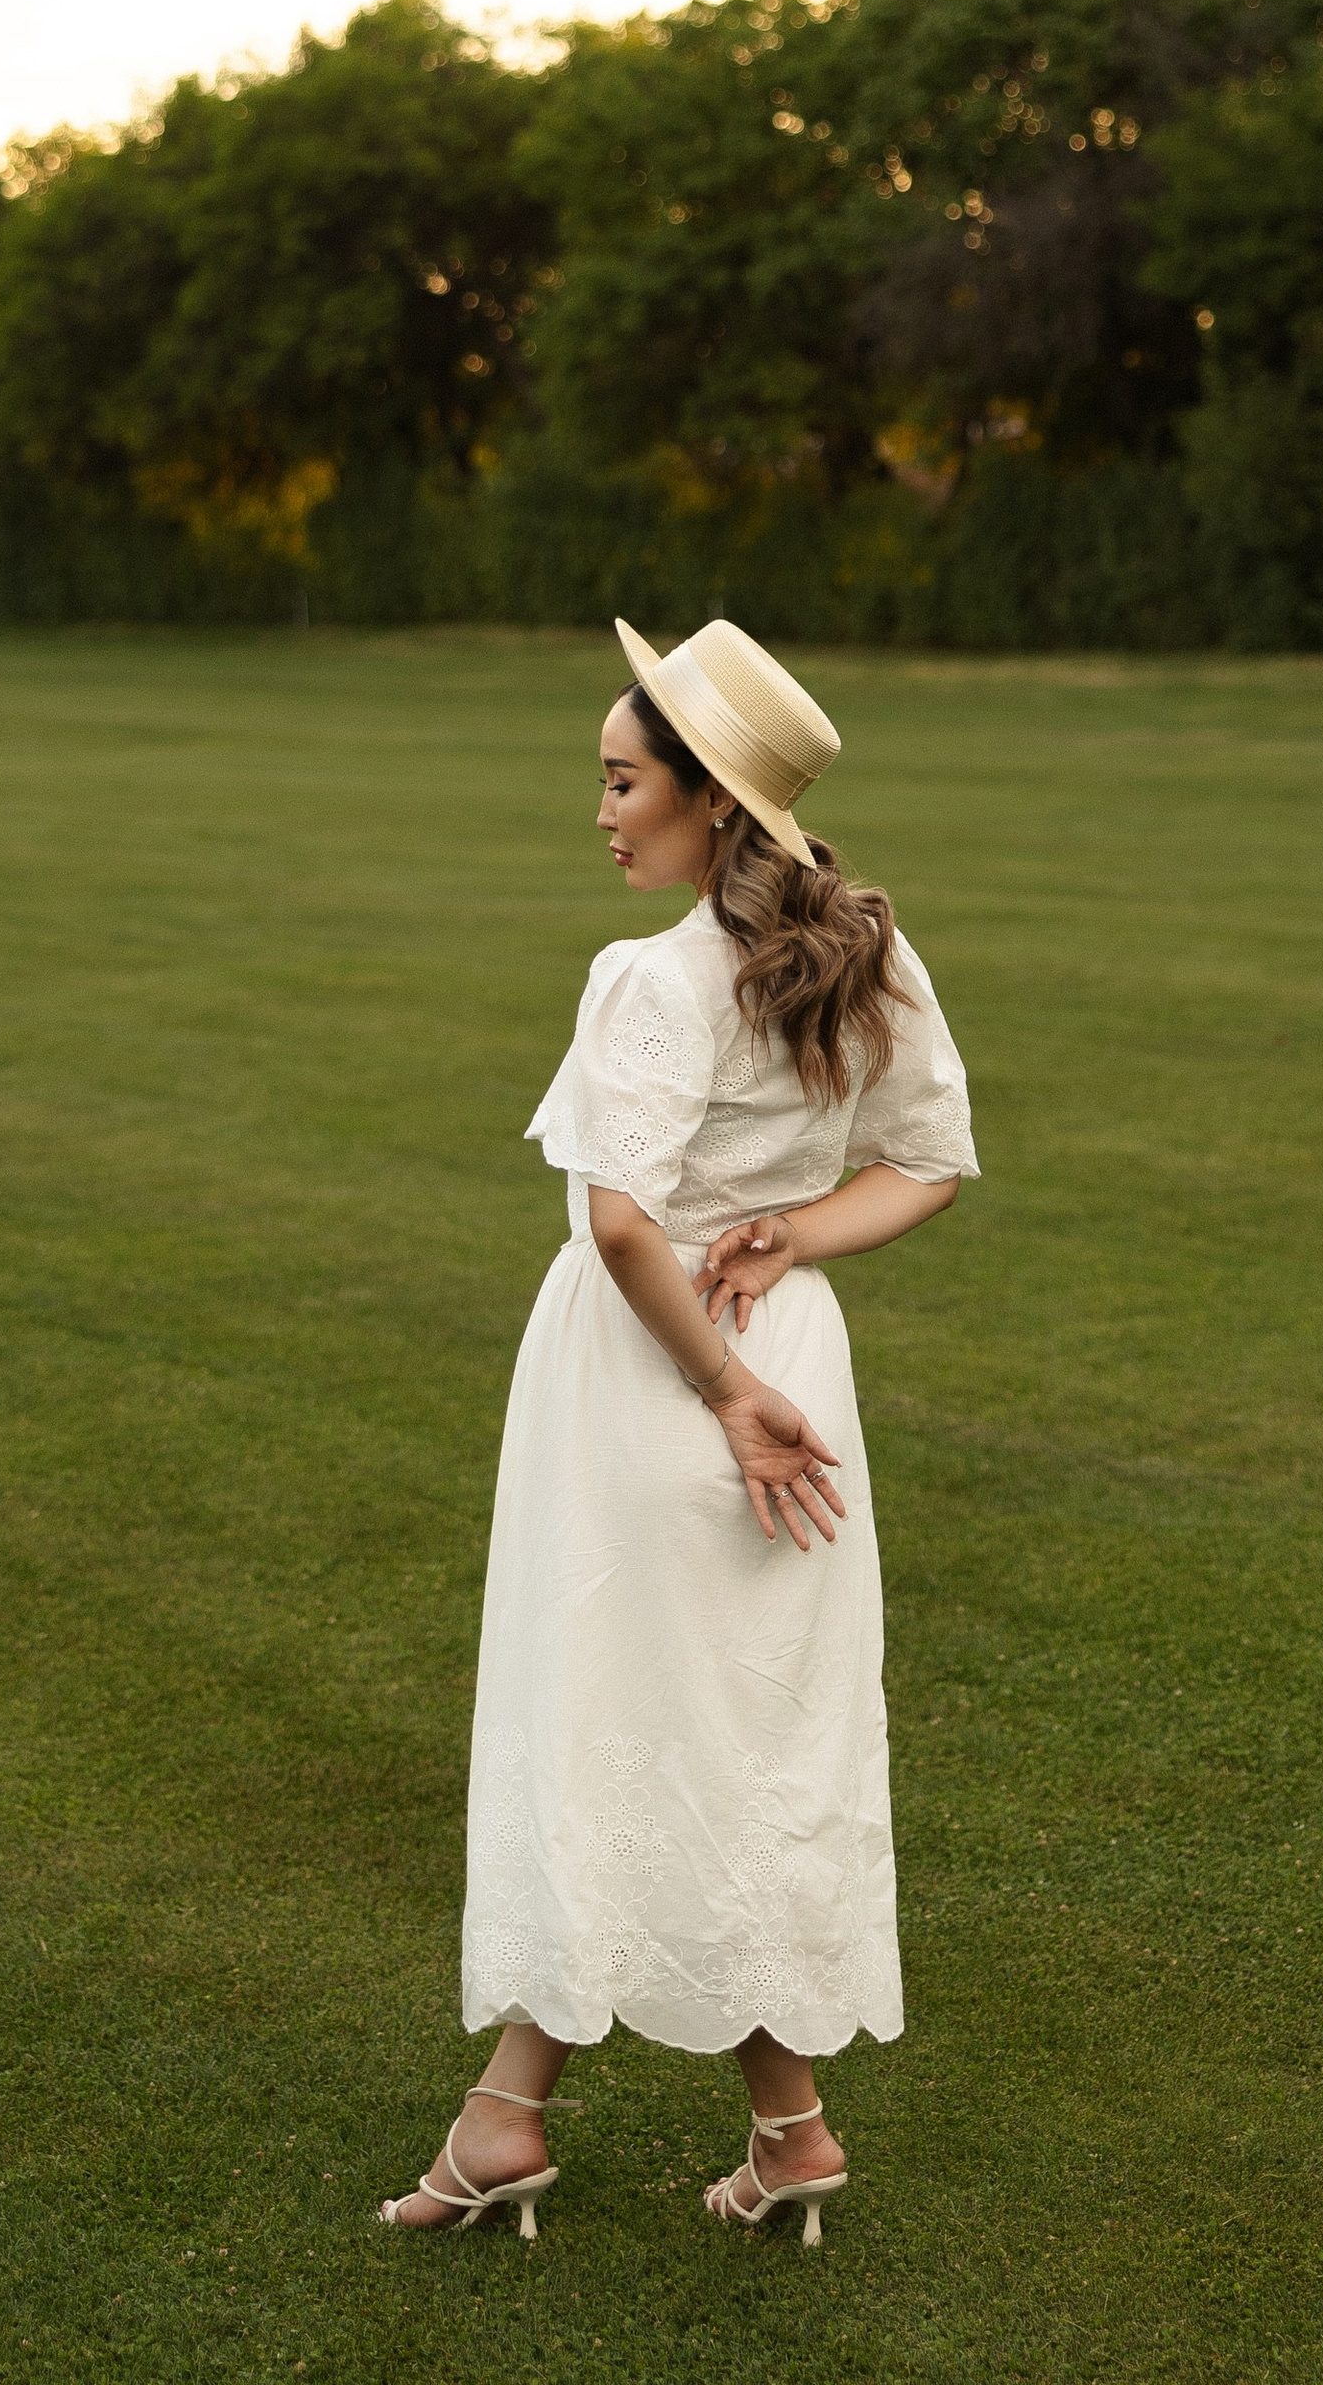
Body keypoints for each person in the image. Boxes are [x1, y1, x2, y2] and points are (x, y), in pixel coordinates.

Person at [378, 615, 979, 2246]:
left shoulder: (649, 980)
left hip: (666, 1380)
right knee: (744, 1740)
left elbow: (626, 1224)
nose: (602, 810)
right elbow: (923, 1166)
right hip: (785, 1363)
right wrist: (796, 1238)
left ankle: (519, 2120)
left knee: (616, 1726)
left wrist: (725, 1391)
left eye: (623, 779)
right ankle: (771, 2128)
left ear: (714, 803)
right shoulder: (874, 951)